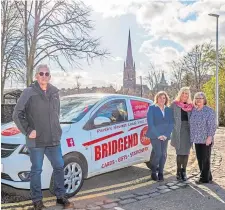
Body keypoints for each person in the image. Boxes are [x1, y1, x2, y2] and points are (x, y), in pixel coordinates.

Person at [13, 65, 73, 210]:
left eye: (47, 73)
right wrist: (28, 130)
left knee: (59, 166)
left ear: (50, 76)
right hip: (36, 141)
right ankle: (37, 201)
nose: (44, 76)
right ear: (36, 76)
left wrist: (57, 130)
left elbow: (56, 114)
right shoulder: (29, 92)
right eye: (41, 73)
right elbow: (17, 114)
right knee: (36, 170)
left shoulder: (54, 93)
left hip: (53, 139)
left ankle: (61, 197)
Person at [146, 91, 174, 181]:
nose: (162, 99)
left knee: (164, 155)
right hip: (155, 135)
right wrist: (158, 135)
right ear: (157, 98)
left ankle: (161, 173)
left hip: (165, 136)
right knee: (158, 154)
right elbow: (150, 124)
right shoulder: (152, 108)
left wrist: (166, 135)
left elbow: (171, 123)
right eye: (160, 97)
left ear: (166, 99)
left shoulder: (168, 110)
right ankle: (154, 172)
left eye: (164, 98)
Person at [190, 92, 216, 184]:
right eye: (196, 98)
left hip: (206, 139)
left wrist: (210, 137)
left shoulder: (209, 111)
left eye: (200, 98)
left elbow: (212, 125)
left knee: (205, 158)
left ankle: (203, 178)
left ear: (204, 100)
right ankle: (208, 176)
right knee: (200, 158)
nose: (198, 100)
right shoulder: (194, 110)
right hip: (197, 139)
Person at [170, 87, 194, 181]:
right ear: (180, 94)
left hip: (188, 131)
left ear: (188, 95)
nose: (185, 95)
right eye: (183, 93)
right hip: (178, 131)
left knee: (186, 153)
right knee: (179, 153)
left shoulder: (191, 106)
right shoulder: (174, 104)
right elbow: (169, 118)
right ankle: (178, 171)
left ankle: (184, 171)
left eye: (187, 93)